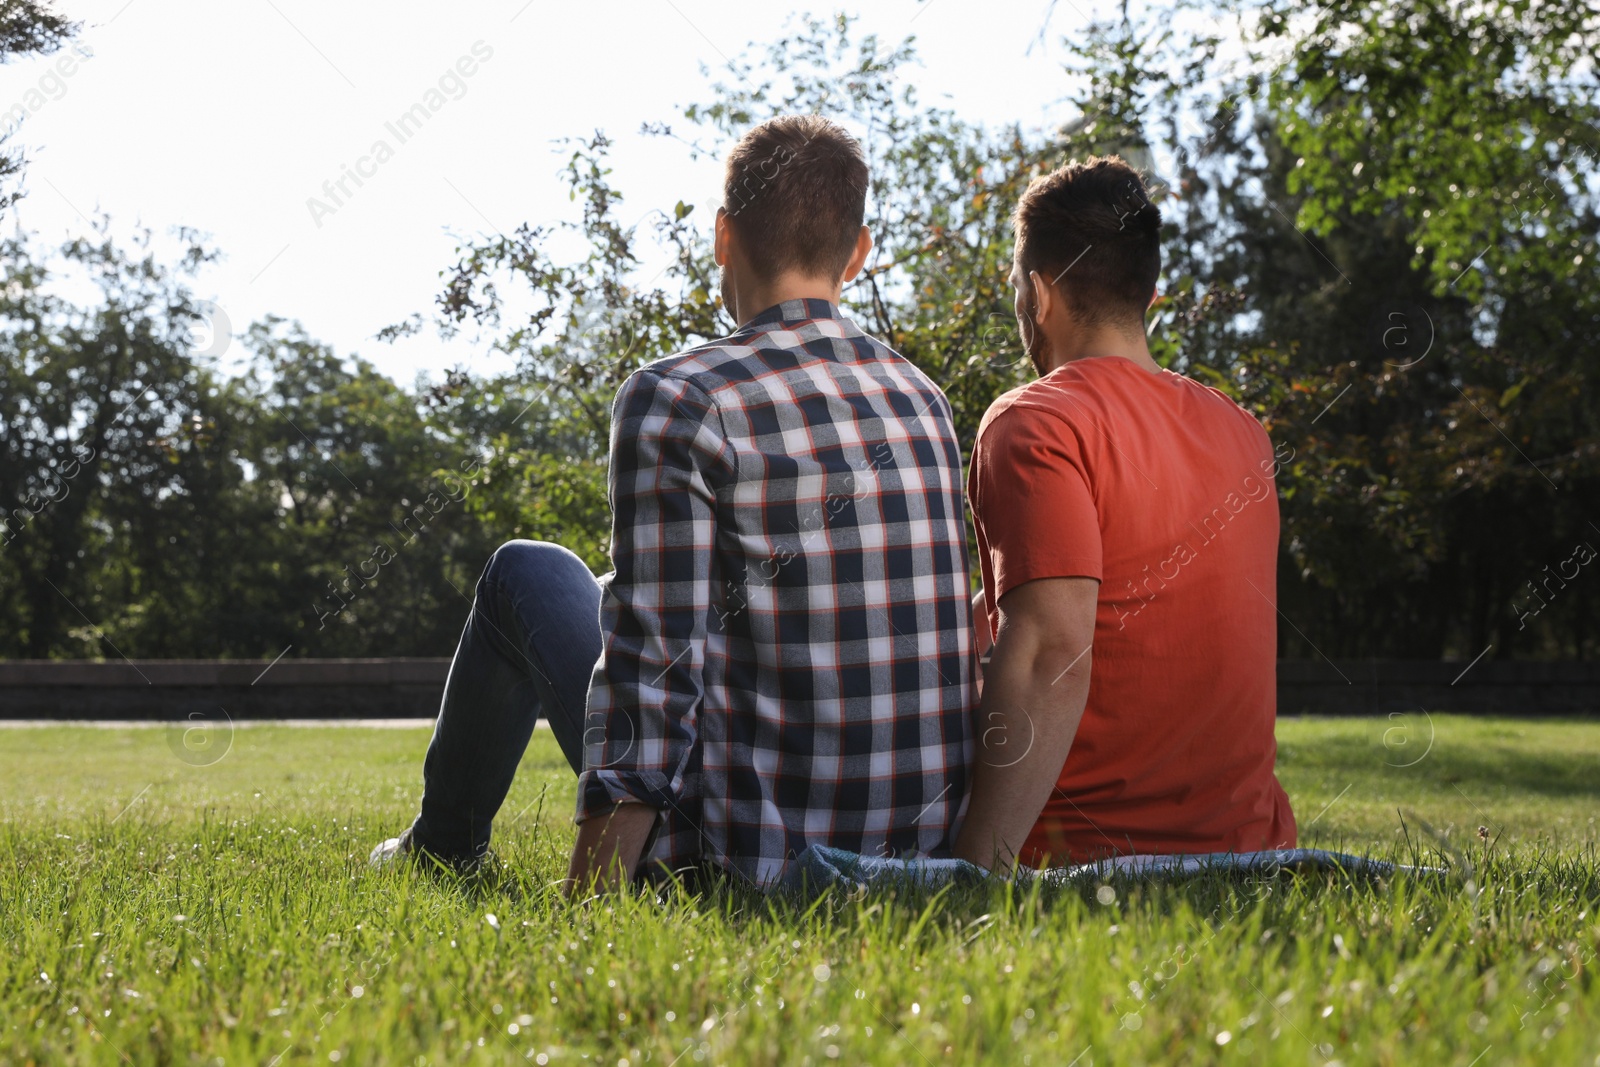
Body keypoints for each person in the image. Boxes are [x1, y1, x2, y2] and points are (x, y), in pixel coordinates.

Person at [372, 115, 976, 890]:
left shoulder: (682, 396)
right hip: (914, 854)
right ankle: (440, 838)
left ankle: (443, 843)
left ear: (724, 236)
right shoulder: (922, 397)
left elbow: (650, 667)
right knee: (593, 586)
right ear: (857, 254)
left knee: (523, 574)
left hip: (742, 861)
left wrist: (591, 895)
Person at [953, 156, 1297, 871]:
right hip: (1252, 852)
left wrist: (975, 869)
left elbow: (1053, 649)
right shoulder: (1243, 432)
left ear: (1039, 295)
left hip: (1085, 856)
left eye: (1018, 289)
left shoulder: (1036, 421)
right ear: (1150, 293)